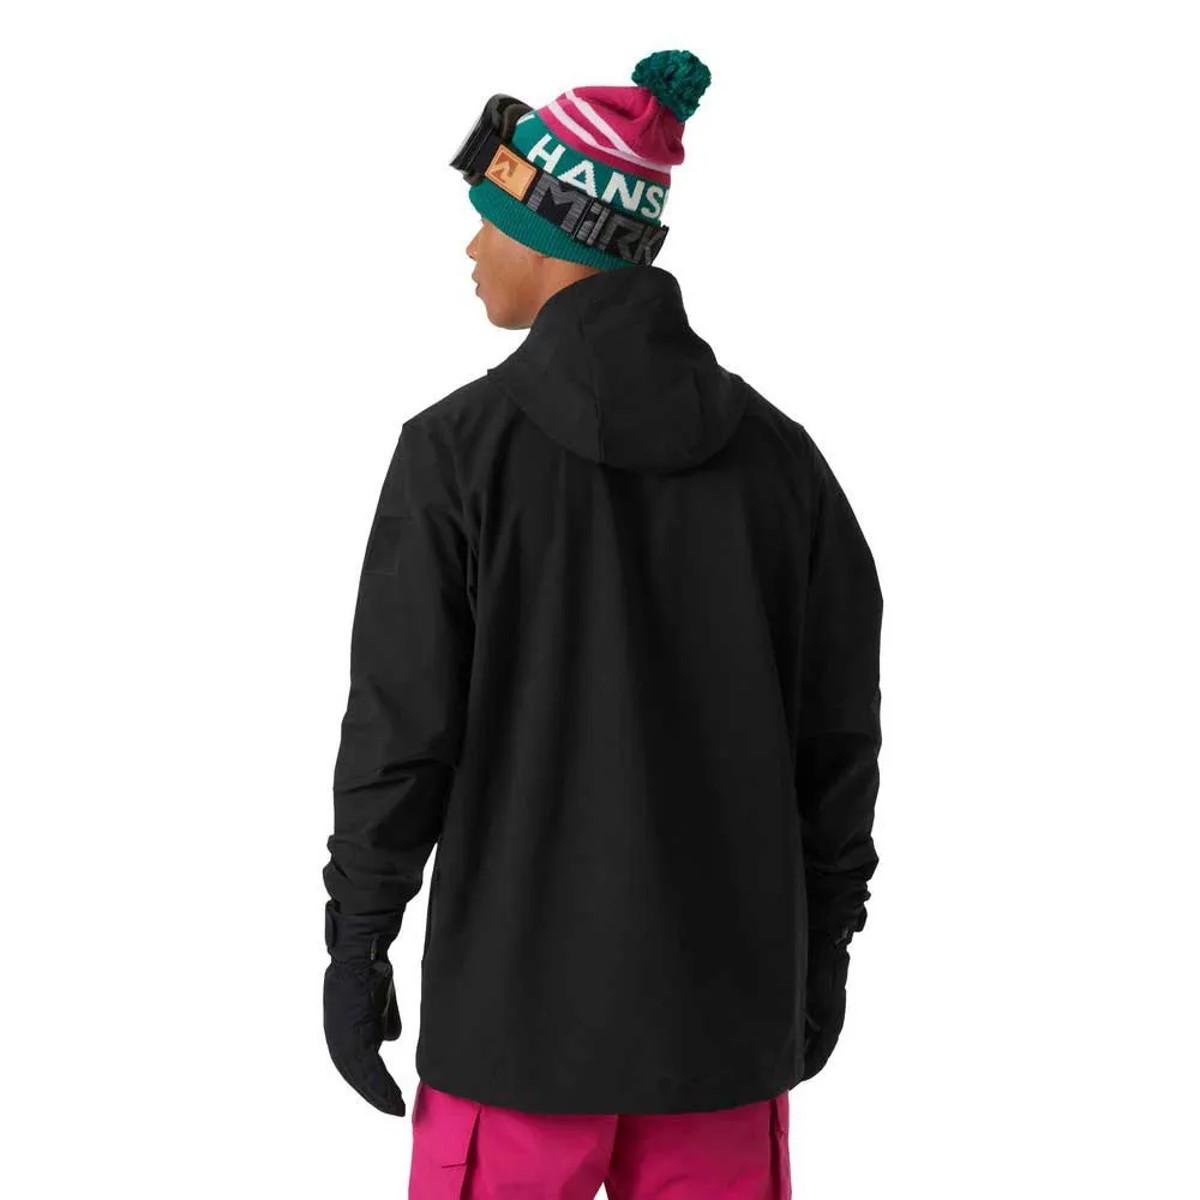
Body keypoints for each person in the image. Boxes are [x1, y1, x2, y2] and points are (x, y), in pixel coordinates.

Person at [321, 48, 883, 1199]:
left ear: (554, 234)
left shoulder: (455, 456)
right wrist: (825, 948)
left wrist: (359, 939)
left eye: (489, 220)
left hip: (510, 1041)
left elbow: (400, 734)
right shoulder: (784, 465)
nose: (470, 249)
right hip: (723, 1042)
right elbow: (837, 748)